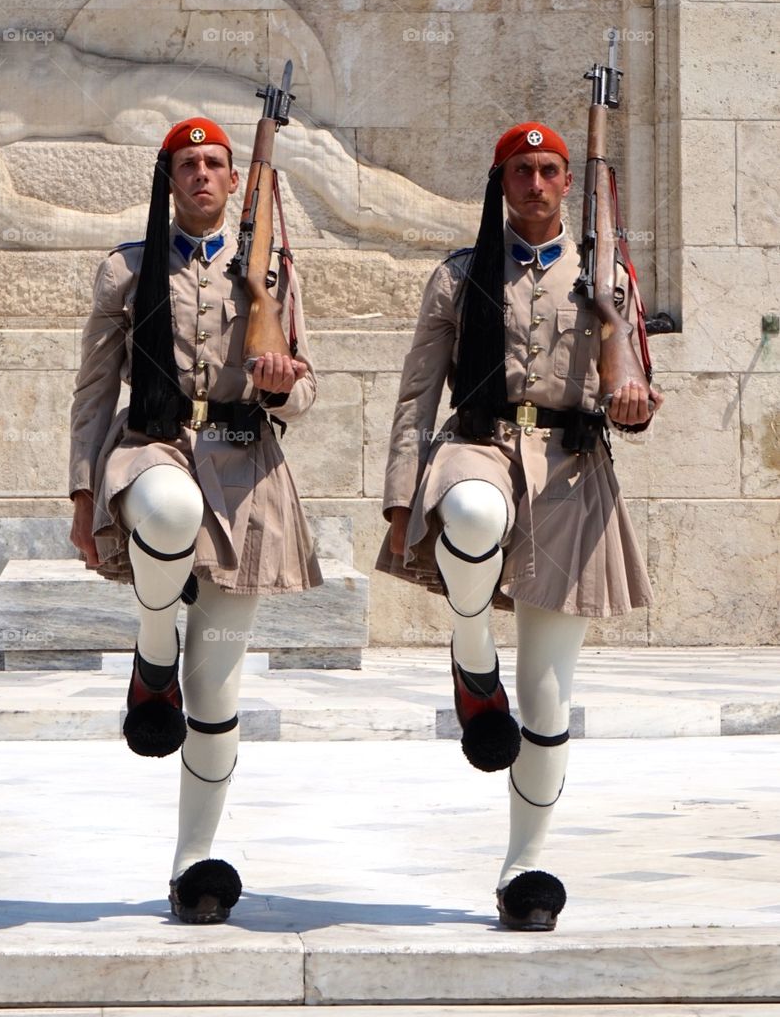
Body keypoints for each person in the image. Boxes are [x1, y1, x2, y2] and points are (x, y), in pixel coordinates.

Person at [377, 121, 663, 931]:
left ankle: (523, 866)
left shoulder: (607, 277)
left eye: (548, 171)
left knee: (546, 699)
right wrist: (403, 498)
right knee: (466, 511)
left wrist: (634, 402)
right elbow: (414, 397)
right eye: (520, 172)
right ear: (499, 183)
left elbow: (632, 381)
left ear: (567, 183)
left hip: (571, 472)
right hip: (479, 445)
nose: (535, 185)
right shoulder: (460, 275)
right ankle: (472, 661)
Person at [69, 116, 321, 924]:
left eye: (216, 165)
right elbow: (93, 390)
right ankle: (151, 653)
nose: (203, 176)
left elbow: (305, 392)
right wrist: (81, 497)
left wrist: (280, 382)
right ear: (168, 179)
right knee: (166, 505)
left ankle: (194, 861)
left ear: (234, 182)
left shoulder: (274, 273)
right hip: (154, 445)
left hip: (244, 467)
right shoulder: (129, 268)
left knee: (214, 686)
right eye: (189, 165)